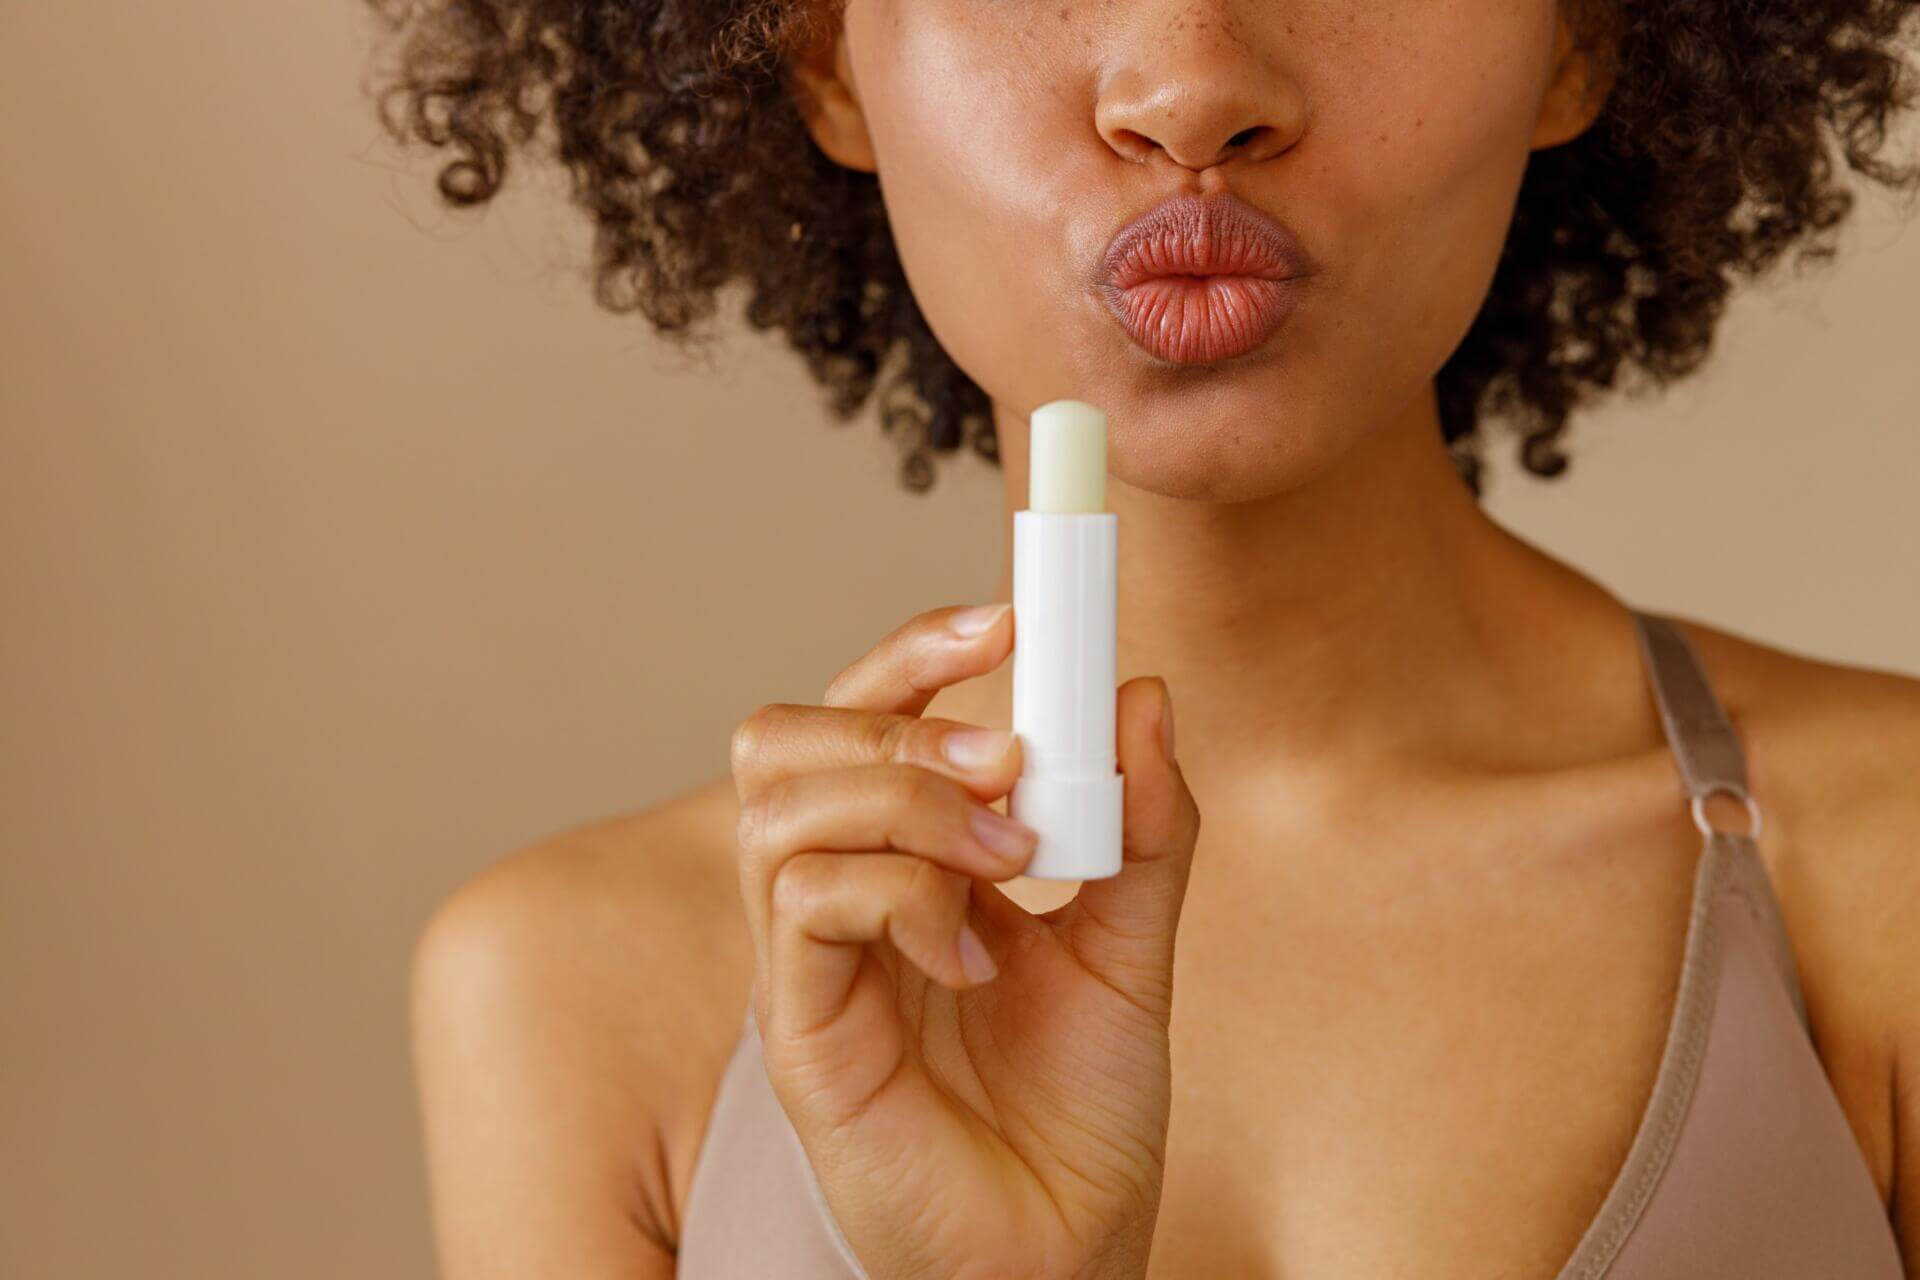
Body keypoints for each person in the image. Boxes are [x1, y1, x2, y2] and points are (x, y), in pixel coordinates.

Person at [363, 0, 1920, 1274]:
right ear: (825, 53)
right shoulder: (574, 997)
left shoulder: (1886, 872)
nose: (1191, 85)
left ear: (1579, 37)